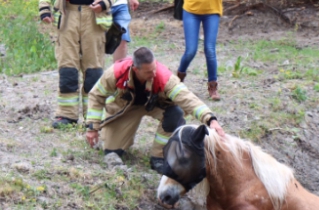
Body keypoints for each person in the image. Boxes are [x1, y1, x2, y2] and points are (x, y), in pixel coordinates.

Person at [39, 0, 125, 128]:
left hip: (93, 18)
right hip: (66, 15)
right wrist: (45, 9)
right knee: (67, 66)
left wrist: (105, 1)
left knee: (93, 68)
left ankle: (93, 116)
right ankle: (66, 115)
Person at [85, 46, 224, 167]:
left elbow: (188, 98)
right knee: (112, 151)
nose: (154, 74)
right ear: (136, 69)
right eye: (148, 72)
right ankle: (116, 141)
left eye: (154, 69)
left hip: (156, 106)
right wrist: (93, 127)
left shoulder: (164, 77)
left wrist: (210, 119)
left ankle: (159, 157)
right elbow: (96, 96)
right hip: (127, 109)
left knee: (176, 113)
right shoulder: (116, 72)